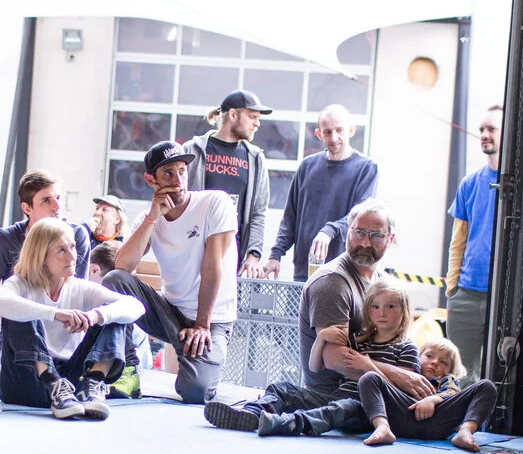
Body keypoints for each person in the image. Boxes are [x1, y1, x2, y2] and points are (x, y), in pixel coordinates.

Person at [205, 200, 437, 429]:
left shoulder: (384, 285)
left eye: (376, 235)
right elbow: (335, 359)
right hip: (333, 393)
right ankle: (253, 415)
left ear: (390, 238)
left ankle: (278, 422)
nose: (365, 242)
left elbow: (405, 350)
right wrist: (395, 375)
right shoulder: (333, 282)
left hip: (372, 403)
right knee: (283, 390)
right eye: (359, 232)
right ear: (347, 230)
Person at [102, 141, 238, 404]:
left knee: (195, 391)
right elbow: (122, 267)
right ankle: (128, 368)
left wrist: (201, 325)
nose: (178, 181)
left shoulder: (214, 203)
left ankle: (192, 357)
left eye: (182, 171)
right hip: (170, 313)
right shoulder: (150, 217)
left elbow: (212, 267)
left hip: (212, 319)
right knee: (113, 281)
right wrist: (153, 217)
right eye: (168, 174)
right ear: (150, 180)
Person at [0, 218, 144, 419]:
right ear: (41, 256)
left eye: (72, 246)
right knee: (20, 309)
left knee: (113, 313)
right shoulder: (21, 284)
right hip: (25, 383)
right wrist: (53, 313)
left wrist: (95, 316)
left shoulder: (79, 287)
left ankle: (92, 383)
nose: (72, 256)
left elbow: (136, 306)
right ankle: (51, 381)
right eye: (61, 250)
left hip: (71, 385)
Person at [249, 279, 420, 439]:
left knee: (340, 409)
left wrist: (368, 366)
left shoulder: (407, 348)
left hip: (366, 409)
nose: (382, 313)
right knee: (282, 388)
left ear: (404, 310)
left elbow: (398, 395)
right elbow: (314, 367)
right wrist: (321, 338)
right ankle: (252, 412)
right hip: (337, 397)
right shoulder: (359, 341)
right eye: (375, 306)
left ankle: (288, 424)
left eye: (390, 306)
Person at [264, 104, 378, 282]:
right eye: (327, 132)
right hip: (305, 270)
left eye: (339, 130)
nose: (334, 138)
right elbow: (290, 217)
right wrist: (275, 255)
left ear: (351, 130)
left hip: (343, 271)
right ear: (319, 134)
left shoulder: (366, 168)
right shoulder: (307, 167)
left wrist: (329, 231)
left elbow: (359, 217)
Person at [0, 170, 91, 328]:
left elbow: (77, 292)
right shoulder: (3, 242)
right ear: (27, 208)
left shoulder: (76, 235)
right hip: (20, 334)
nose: (57, 206)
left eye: (58, 198)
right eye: (46, 200)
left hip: (65, 331)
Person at [182, 89, 272, 277]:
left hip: (233, 260)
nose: (257, 123)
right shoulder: (192, 150)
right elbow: (177, 200)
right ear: (233, 114)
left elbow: (258, 212)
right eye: (252, 116)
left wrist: (253, 255)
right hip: (192, 255)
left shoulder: (255, 158)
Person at [446, 105, 504, 384]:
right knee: (459, 375)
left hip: (504, 297)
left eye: (491, 129)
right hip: (466, 295)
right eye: (481, 129)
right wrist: (453, 289)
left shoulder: (520, 184)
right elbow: (457, 242)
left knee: (498, 376)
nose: (484, 134)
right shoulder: (470, 183)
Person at [358, 337, 496, 452]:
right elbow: (391, 391)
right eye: (429, 356)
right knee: (369, 377)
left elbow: (452, 391)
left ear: (450, 369)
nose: (435, 362)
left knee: (486, 386)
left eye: (443, 362)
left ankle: (465, 432)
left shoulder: (446, 378)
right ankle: (382, 427)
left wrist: (433, 399)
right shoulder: (409, 375)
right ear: (418, 357)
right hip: (405, 415)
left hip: (439, 420)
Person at [87, 239, 147, 398]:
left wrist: (98, 315)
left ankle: (127, 372)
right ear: (94, 270)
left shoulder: (129, 313)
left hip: (117, 369)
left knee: (116, 311)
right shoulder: (78, 290)